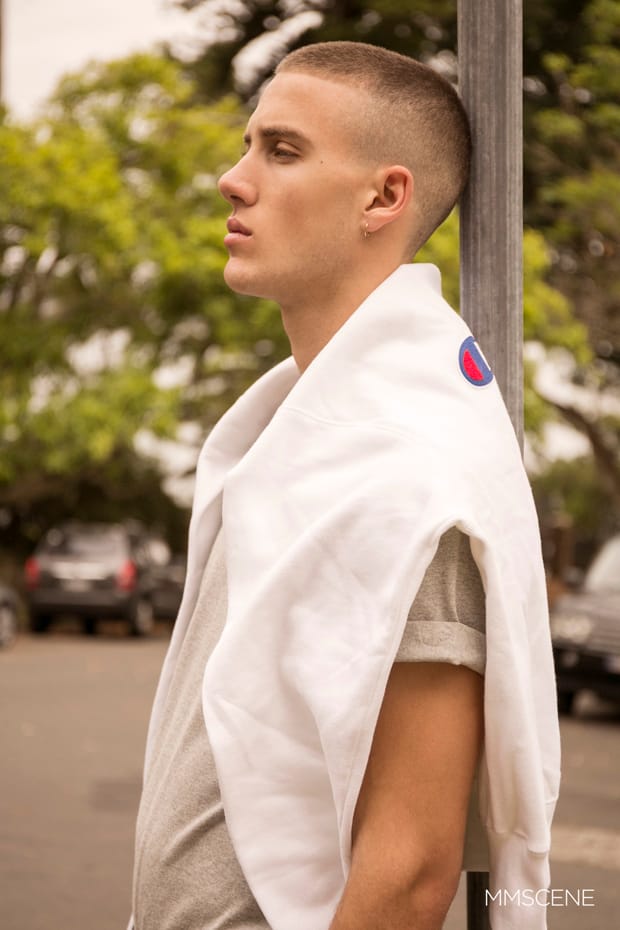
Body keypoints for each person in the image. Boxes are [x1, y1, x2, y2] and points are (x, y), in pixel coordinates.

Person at [129, 42, 560, 930]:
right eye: (248, 146)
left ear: (383, 197)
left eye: (282, 151)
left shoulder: (415, 476)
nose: (233, 180)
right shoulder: (296, 436)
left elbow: (409, 871)